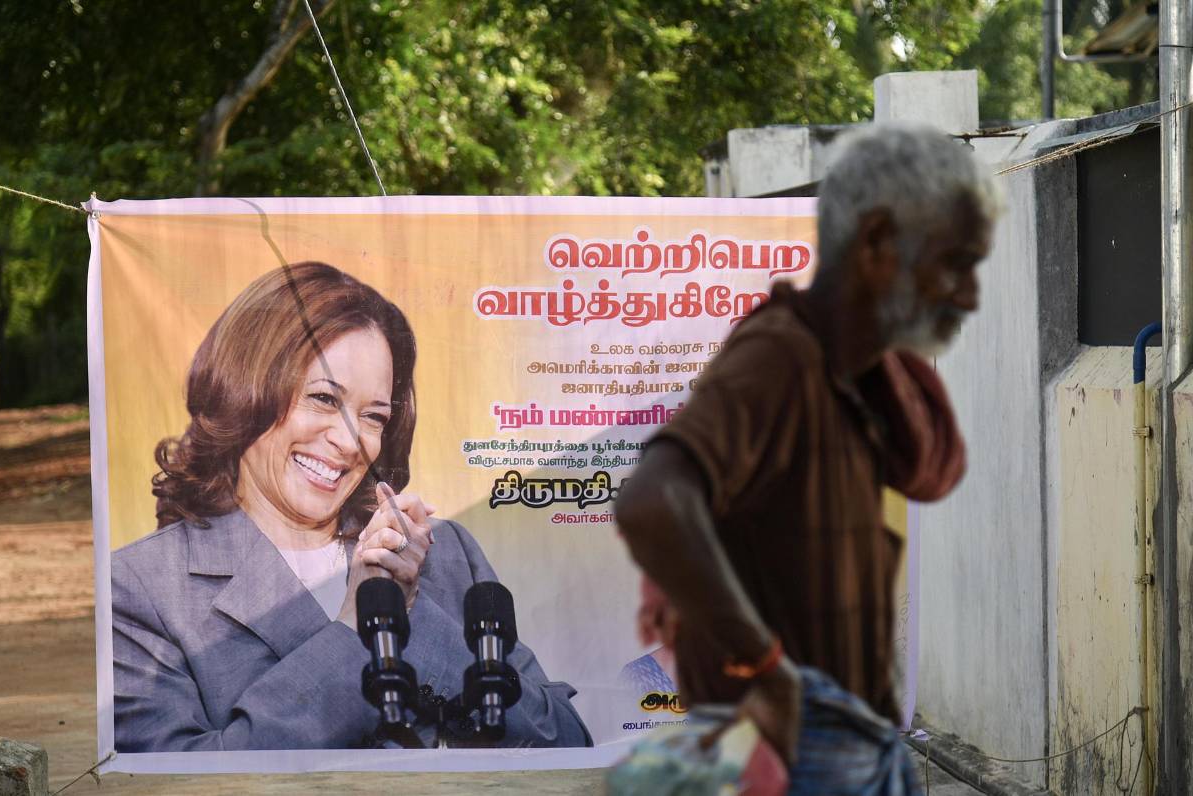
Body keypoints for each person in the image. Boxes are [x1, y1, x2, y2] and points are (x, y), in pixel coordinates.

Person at [614, 122, 998, 793]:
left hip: (850, 743)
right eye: (954, 263)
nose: (968, 295)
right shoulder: (782, 355)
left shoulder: (848, 370)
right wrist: (765, 667)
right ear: (876, 242)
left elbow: (932, 467)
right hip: (797, 751)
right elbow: (651, 500)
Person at [112, 261, 592, 752]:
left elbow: (566, 742)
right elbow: (180, 777)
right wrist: (357, 632)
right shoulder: (141, 588)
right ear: (244, 389)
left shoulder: (444, 551)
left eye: (374, 417)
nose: (349, 441)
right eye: (323, 398)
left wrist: (411, 616)